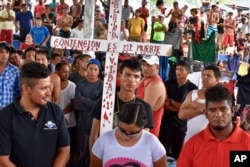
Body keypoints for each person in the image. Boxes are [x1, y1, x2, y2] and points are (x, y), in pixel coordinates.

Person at [0, 62, 70, 167]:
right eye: (43, 88)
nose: (49, 93)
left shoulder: (56, 111)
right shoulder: (5, 116)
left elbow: (64, 149)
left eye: (49, 87)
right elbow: (2, 160)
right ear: (26, 89)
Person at [89, 58, 154, 151]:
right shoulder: (104, 102)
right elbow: (94, 136)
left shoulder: (145, 107)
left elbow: (144, 141)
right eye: (128, 75)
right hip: (106, 153)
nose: (131, 80)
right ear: (119, 76)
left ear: (140, 80)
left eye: (136, 77)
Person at [177, 84, 250, 167]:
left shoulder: (247, 143)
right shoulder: (192, 145)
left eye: (223, 109)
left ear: (232, 111)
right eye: (213, 110)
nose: (218, 114)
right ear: (206, 113)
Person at [90, 102, 167, 167]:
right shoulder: (103, 141)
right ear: (118, 122)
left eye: (133, 133)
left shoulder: (152, 143)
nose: (126, 135)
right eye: (122, 130)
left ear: (142, 127)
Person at [159, 60, 197, 160]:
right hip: (166, 123)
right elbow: (164, 104)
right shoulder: (168, 84)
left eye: (181, 69)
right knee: (162, 151)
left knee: (178, 153)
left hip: (181, 126)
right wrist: (180, 106)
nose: (178, 72)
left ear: (188, 72)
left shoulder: (192, 88)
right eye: (177, 69)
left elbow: (188, 108)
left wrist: (171, 102)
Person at [179, 65, 221, 143]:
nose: (204, 77)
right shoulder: (192, 94)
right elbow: (181, 114)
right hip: (190, 138)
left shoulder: (221, 96)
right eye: (203, 75)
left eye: (208, 76)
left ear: (217, 79)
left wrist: (194, 105)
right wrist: (202, 109)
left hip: (210, 141)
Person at [74, 58, 103, 167]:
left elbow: (99, 106)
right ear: (87, 69)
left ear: (99, 71)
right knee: (82, 152)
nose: (93, 72)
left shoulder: (102, 85)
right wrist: (93, 104)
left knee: (95, 153)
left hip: (96, 125)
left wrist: (84, 99)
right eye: (90, 68)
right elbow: (77, 105)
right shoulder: (80, 84)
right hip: (82, 123)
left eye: (95, 69)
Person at [136, 55, 166, 137]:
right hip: (137, 130)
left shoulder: (156, 84)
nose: (145, 68)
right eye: (143, 64)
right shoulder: (145, 79)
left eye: (149, 65)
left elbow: (142, 111)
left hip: (147, 133)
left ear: (157, 67)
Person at [56, 60, 77, 166]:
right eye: (64, 72)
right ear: (57, 72)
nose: (67, 74)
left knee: (70, 148)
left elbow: (73, 104)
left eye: (68, 72)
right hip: (56, 123)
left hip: (70, 123)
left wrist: (60, 113)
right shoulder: (52, 85)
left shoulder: (72, 86)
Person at [0, 42, 20, 110]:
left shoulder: (15, 71)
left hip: (8, 112)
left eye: (7, 52)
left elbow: (18, 93)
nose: (4, 55)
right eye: (1, 52)